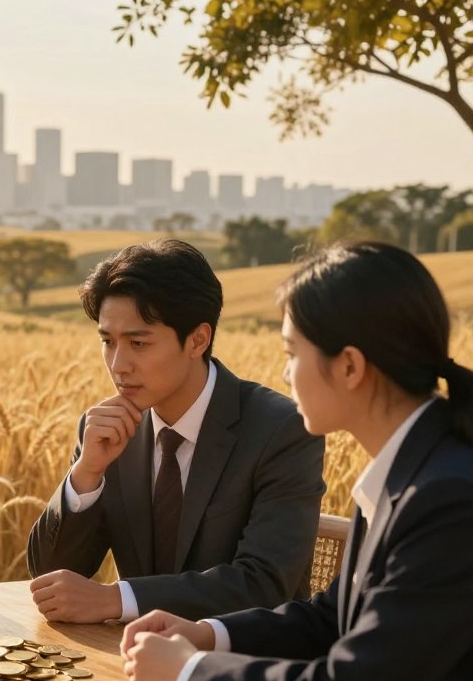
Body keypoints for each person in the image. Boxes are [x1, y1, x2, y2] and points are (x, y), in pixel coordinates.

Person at [121, 241, 473, 681]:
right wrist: (206, 635)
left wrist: (190, 674)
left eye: (292, 353)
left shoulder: (446, 498)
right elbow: (333, 619)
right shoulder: (408, 469)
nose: (285, 374)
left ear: (350, 367)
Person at [27, 239, 325, 623]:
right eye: (107, 342)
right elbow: (50, 578)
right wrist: (86, 475)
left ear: (197, 339)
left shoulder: (280, 430)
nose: (118, 365)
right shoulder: (106, 429)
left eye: (138, 343)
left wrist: (117, 599)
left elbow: (263, 584)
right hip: (127, 663)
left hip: (238, 667)